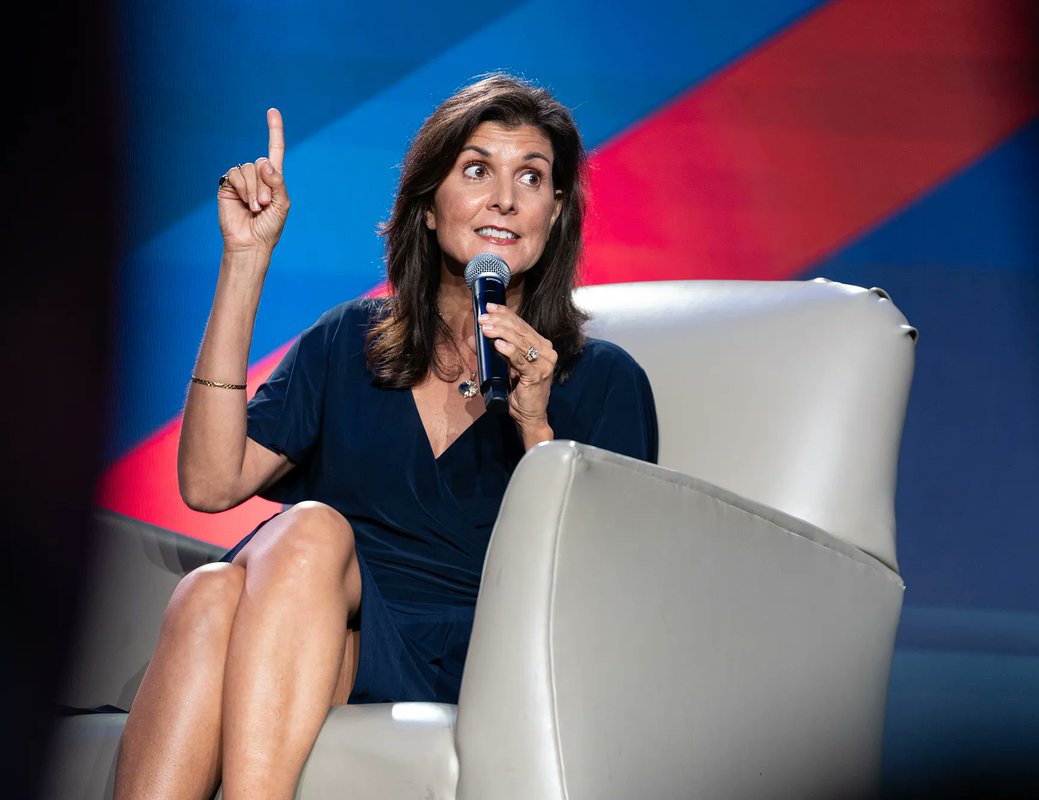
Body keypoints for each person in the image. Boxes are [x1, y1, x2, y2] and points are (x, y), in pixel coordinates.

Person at [113, 72, 658, 799]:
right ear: (429, 206)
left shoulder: (603, 379)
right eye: (477, 170)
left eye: (531, 177)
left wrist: (534, 424)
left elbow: (597, 591)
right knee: (210, 593)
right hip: (318, 636)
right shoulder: (350, 342)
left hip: (472, 657)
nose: (504, 198)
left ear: (554, 214)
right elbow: (210, 484)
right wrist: (245, 262)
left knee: (302, 534)